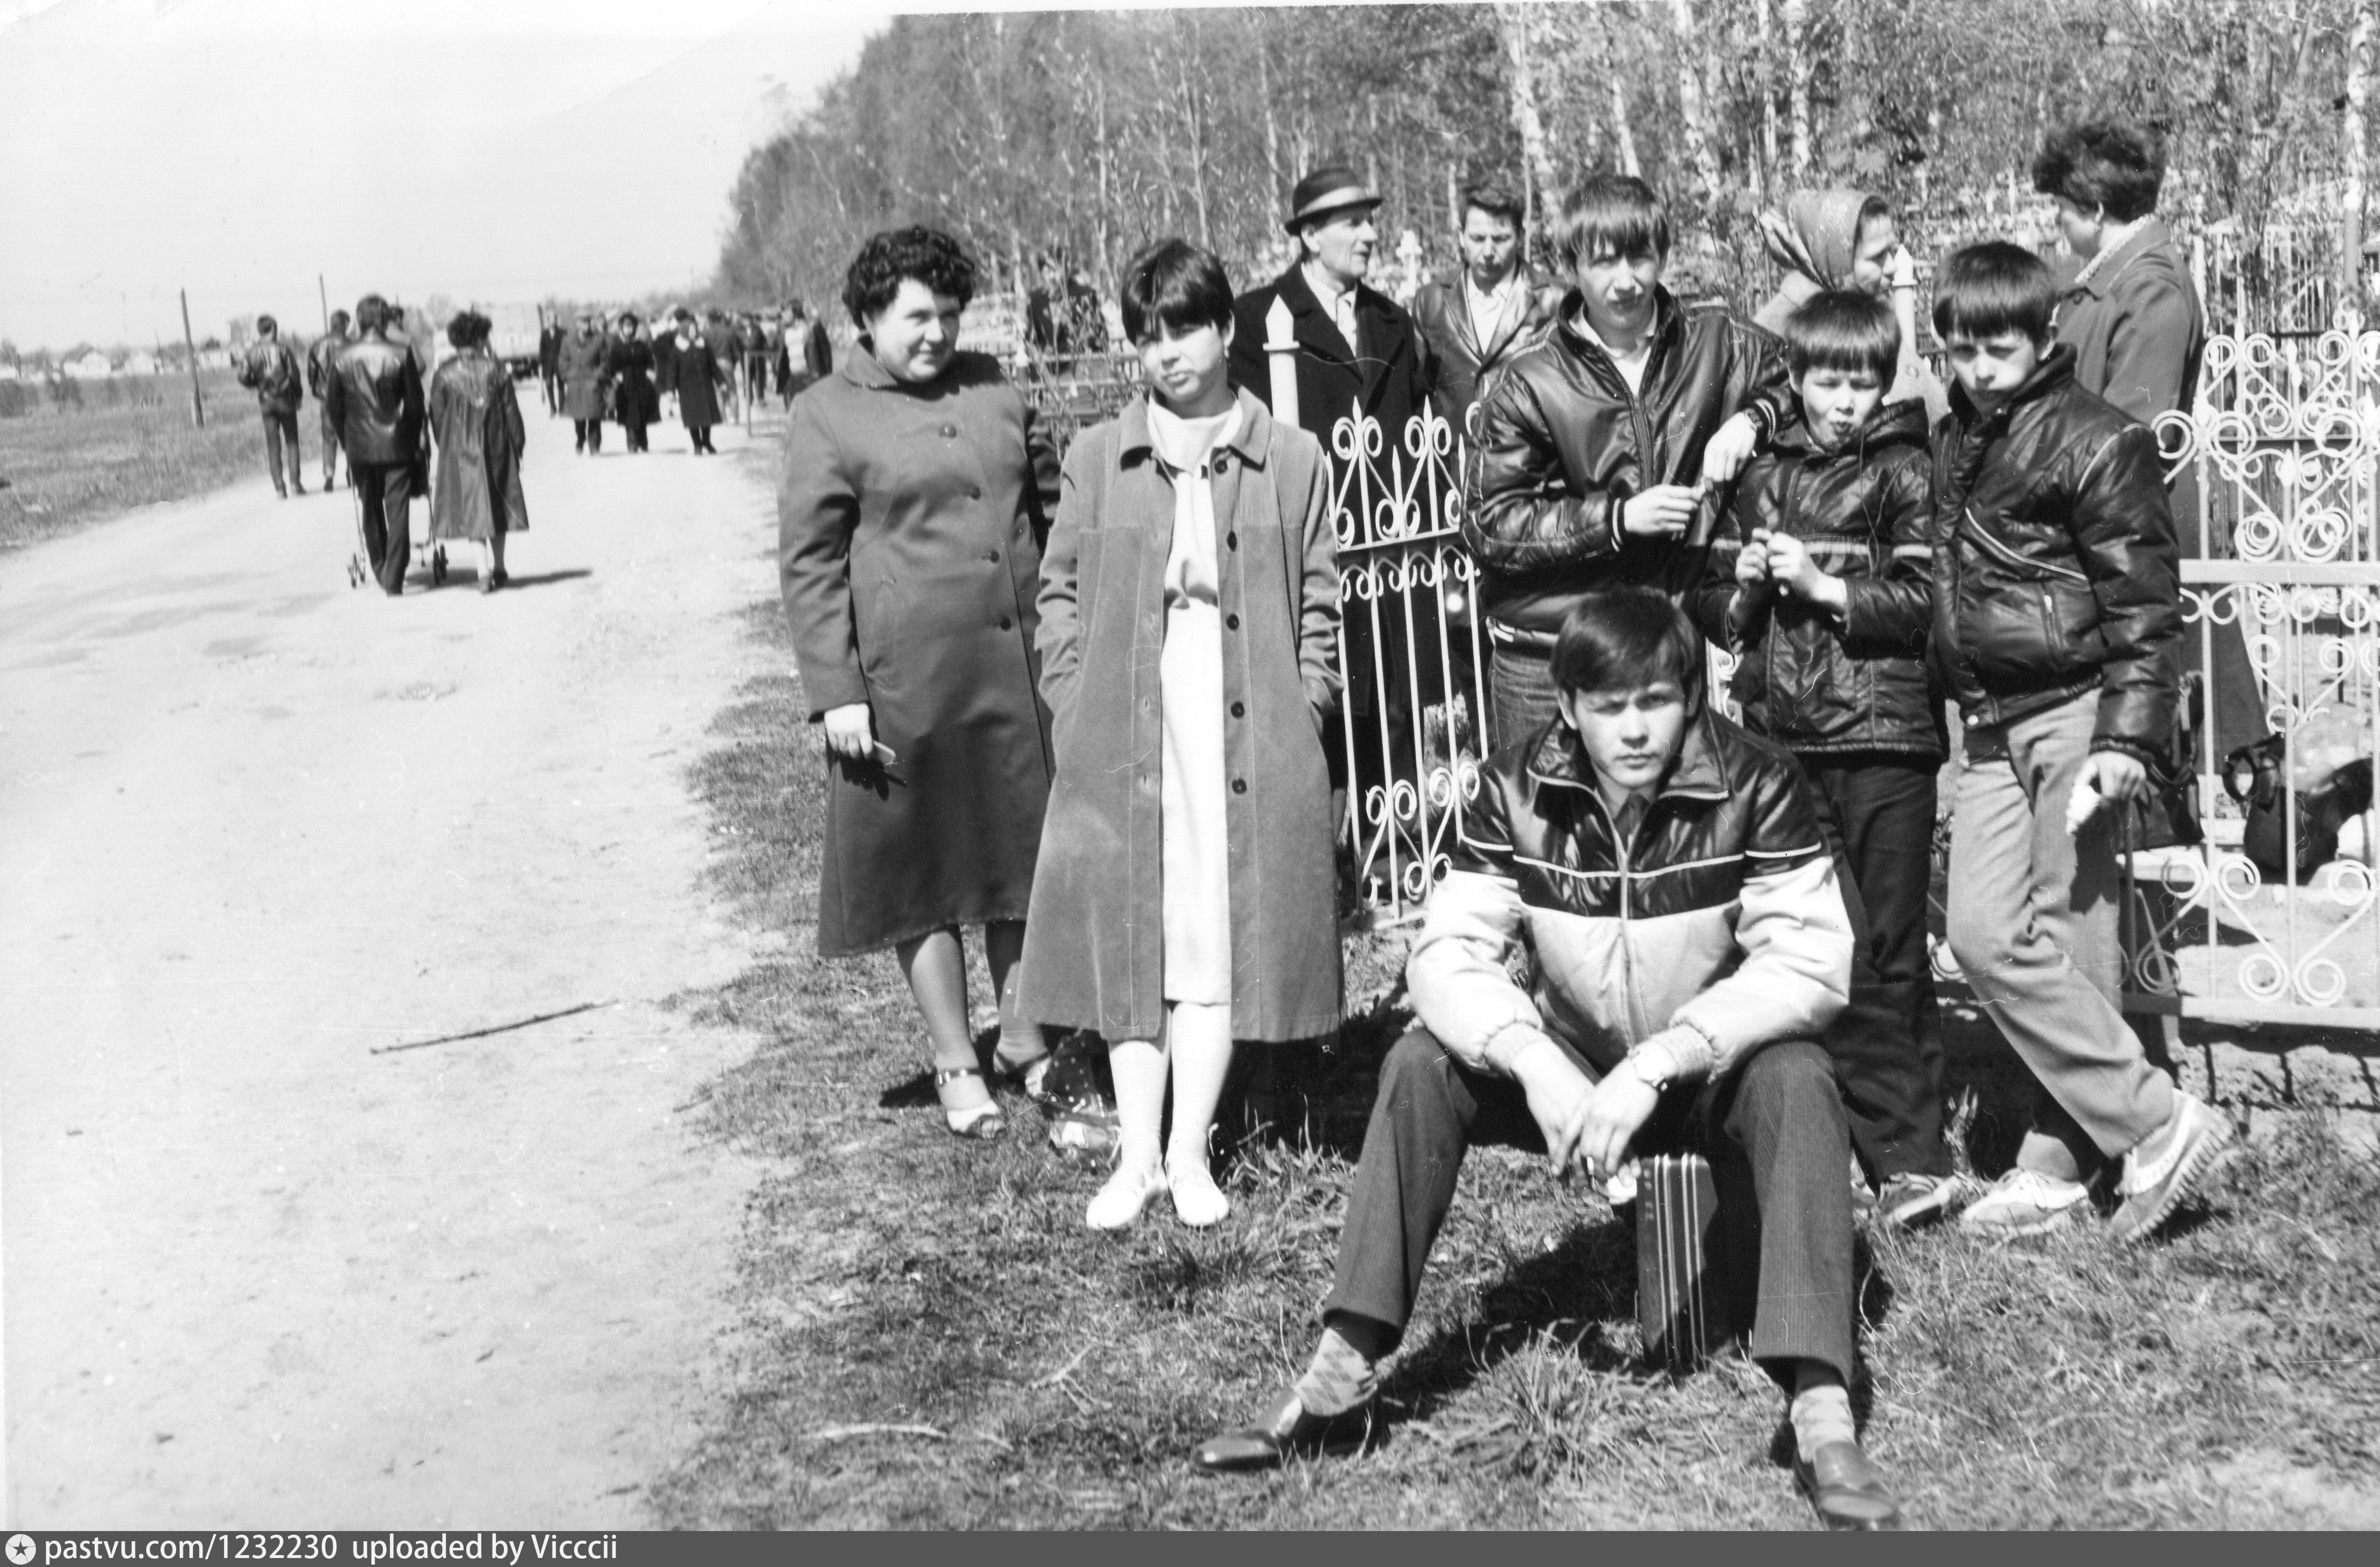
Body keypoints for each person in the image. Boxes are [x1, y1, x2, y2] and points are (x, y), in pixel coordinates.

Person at [1192, 586, 1902, 1531]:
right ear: (1568, 705)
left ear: (1690, 697)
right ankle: (1343, 1364)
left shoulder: (1760, 781)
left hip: (1704, 1072)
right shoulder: (1515, 786)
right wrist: (1532, 1056)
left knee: (1801, 1076)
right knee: (1420, 1063)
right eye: (1609, 708)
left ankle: (1820, 1405)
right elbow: (1444, 955)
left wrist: (1660, 1062)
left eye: (1655, 701)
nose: (1636, 730)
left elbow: (1812, 962)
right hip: (1568, 1072)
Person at [1018, 240, 1342, 1230]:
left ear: (1226, 329)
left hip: (1242, 723)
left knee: (1214, 928)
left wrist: (1308, 699)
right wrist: (1072, 705)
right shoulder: (1096, 458)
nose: (1165, 353)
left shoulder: (1290, 460)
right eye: (1146, 335)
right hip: (1128, 723)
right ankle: (1135, 1154)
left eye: (1184, 328)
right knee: (1134, 928)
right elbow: (1058, 592)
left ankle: (1190, 1150)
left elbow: (1321, 600)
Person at [1927, 243, 2230, 1241]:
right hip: (1986, 727)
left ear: (2042, 335)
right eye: (1961, 348)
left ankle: (2056, 1170)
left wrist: (2124, 741)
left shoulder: (2100, 440)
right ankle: (2157, 1121)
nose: (1979, 368)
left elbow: (2144, 606)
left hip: (2070, 714)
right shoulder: (1952, 440)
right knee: (1979, 933)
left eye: (1999, 347)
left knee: (2071, 934)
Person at [778, 225, 1061, 1141]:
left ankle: (1025, 1035)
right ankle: (954, 1059)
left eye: (948, 315)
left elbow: (1053, 514)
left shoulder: (997, 390)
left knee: (1022, 852)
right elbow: (811, 563)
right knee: (926, 871)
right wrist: (838, 689)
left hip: (1014, 673)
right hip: (905, 687)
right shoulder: (828, 412)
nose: (936, 334)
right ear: (866, 319)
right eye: (915, 318)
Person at [1688, 291, 1954, 1229]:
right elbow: (1708, 597)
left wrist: (1824, 585)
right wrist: (1751, 593)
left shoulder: (1904, 467)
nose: (1846, 400)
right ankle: (1843, 1139)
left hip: (1884, 737)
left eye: (1864, 381)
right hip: (1784, 742)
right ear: (1793, 381)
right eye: (1828, 381)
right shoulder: (1762, 471)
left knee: (1886, 947)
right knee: (1811, 943)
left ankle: (1912, 1160)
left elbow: (1926, 600)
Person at [1463, 174, 1791, 749]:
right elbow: (1490, 523)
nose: (1625, 281)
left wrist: (1754, 417)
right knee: (1546, 836)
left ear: (1662, 255)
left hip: (1660, 651)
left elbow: (1801, 383)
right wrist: (1616, 520)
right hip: (1548, 658)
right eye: (1603, 261)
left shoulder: (1718, 342)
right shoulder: (1529, 379)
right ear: (1571, 264)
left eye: (1640, 257)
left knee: (1665, 836)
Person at [2033, 117, 2266, 764]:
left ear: (2097, 209)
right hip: (2115, 510)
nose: (2057, 223)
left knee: (2195, 686)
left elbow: (2134, 430)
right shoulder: (2113, 277)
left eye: (2062, 208)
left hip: (2142, 510)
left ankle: (2264, 819)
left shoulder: (2150, 286)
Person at [1228, 165, 1436, 453]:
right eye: (1353, 223)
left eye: (1370, 222)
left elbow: (1423, 428)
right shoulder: (1255, 318)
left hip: (1396, 498)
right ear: (1312, 236)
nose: (1371, 236)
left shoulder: (1394, 319)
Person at [1752, 190, 1946, 422]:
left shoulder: (1864, 307)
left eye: (1891, 252)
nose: (1892, 266)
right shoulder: (1773, 334)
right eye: (1878, 257)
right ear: (1835, 260)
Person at [1408, 179, 1564, 426]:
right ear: (1461, 237)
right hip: (1452, 458)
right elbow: (1416, 393)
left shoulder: (1555, 299)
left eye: (1501, 238)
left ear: (1521, 235)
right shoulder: (1430, 301)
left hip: (1526, 460)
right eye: (1478, 238)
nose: (1489, 251)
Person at [324, 294, 426, 596]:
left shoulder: (342, 355)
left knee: (369, 506)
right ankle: (393, 574)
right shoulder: (400, 351)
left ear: (359, 319)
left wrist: (347, 442)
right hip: (396, 442)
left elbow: (334, 406)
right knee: (398, 509)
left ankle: (381, 566)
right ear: (384, 319)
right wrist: (410, 435)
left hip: (360, 445)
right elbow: (416, 403)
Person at [428, 310, 529, 595]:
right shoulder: (496, 369)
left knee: (471, 503)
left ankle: (482, 572)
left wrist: (446, 445)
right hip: (497, 448)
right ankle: (499, 566)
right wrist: (517, 446)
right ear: (479, 338)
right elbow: (511, 410)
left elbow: (437, 416)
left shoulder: (443, 373)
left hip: (460, 456)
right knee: (497, 502)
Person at [236, 314, 307, 499]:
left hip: (266, 402)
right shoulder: (284, 350)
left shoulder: (251, 353)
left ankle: (279, 488)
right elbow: (294, 375)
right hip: (286, 400)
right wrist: (298, 396)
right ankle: (295, 483)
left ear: (260, 331)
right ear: (274, 329)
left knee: (273, 445)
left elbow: (243, 377)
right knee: (292, 442)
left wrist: (258, 385)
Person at [306, 310, 352, 492]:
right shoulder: (351, 344)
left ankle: (329, 474)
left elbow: (312, 375)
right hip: (348, 396)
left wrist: (318, 392)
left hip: (326, 397)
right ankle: (352, 473)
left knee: (328, 437)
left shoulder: (317, 345)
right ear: (345, 324)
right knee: (350, 435)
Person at [673, 309, 728, 454]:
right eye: (690, 330)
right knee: (693, 420)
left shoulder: (703, 345)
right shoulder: (677, 349)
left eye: (694, 329)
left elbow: (713, 367)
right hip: (687, 390)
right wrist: (670, 390)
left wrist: (721, 382)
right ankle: (697, 444)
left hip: (704, 386)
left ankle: (707, 442)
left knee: (706, 418)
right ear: (684, 331)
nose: (693, 332)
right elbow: (673, 371)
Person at [608, 312, 659, 453]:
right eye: (626, 327)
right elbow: (612, 366)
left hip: (641, 382)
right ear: (621, 329)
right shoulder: (617, 347)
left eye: (631, 327)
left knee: (642, 414)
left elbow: (650, 362)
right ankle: (632, 443)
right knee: (629, 415)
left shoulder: (641, 345)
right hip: (625, 384)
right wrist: (617, 376)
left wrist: (650, 373)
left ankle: (644, 442)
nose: (629, 330)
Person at [561, 313, 611, 454]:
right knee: (579, 417)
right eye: (583, 322)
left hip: (592, 382)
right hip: (575, 383)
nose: (587, 325)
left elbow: (605, 361)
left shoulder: (599, 340)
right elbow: (563, 361)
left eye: (588, 322)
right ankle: (581, 438)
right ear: (577, 324)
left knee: (595, 415)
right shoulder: (568, 341)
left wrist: (598, 375)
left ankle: (594, 446)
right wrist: (567, 376)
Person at [537, 313, 566, 416]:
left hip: (560, 362)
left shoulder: (562, 332)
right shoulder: (543, 333)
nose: (553, 322)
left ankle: (562, 409)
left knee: (561, 385)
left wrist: (567, 362)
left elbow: (566, 348)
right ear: (548, 321)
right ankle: (553, 408)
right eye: (551, 320)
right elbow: (541, 348)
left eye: (555, 320)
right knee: (549, 384)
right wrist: (540, 363)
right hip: (547, 364)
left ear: (556, 321)